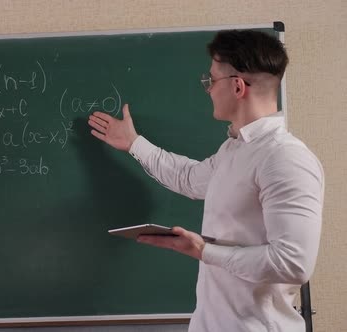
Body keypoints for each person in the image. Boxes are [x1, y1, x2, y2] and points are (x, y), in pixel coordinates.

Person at [88, 30, 324, 332]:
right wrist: (134, 144)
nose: (208, 89)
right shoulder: (235, 150)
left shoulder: (285, 159)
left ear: (237, 87)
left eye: (211, 80)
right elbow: (189, 178)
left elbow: (293, 264)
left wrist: (204, 251)